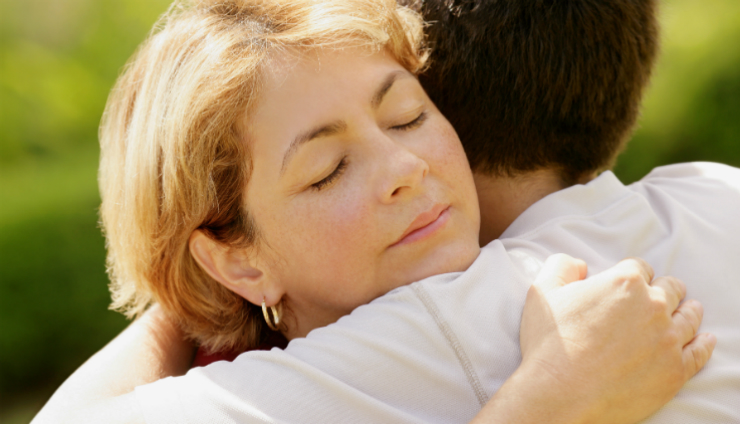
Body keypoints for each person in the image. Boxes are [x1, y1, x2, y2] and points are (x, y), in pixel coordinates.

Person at [32, 0, 719, 423]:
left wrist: (200, 289)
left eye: (408, 114)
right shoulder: (709, 195)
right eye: (327, 171)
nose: (404, 169)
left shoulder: (448, 327)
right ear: (234, 253)